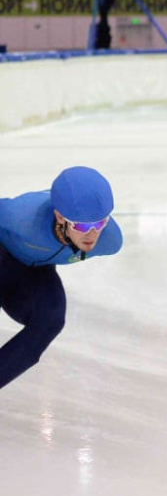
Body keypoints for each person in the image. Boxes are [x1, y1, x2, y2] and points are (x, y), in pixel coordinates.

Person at [0, 167, 123, 391]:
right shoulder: (22, 217)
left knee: (50, 320)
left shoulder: (110, 241)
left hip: (30, 272)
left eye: (100, 223)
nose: (92, 234)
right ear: (59, 217)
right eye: (83, 226)